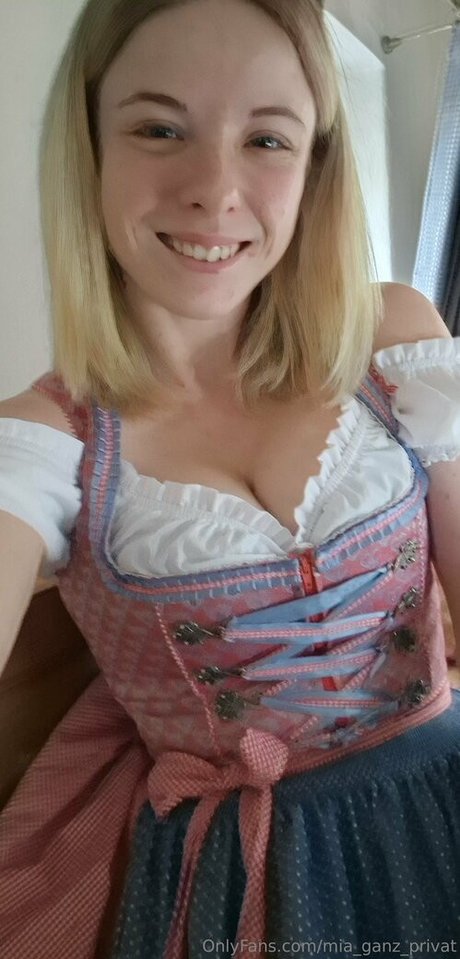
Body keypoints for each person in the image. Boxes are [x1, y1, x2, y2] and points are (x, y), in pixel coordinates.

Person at [0, 0, 459, 956]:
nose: (215, 191)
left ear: (315, 167)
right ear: (89, 146)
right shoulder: (45, 442)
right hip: (236, 878)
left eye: (267, 139)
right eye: (160, 129)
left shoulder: (393, 338)